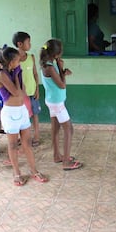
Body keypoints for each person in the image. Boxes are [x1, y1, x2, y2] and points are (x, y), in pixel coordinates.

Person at [0, 47, 48, 186]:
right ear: (11, 62)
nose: (20, 62)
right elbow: (16, 92)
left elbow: (23, 91)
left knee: (27, 143)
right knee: (12, 145)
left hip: (21, 110)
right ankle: (17, 173)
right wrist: (18, 76)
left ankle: (34, 170)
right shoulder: (1, 75)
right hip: (10, 113)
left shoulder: (15, 71)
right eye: (18, 60)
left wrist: (18, 74)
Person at [40, 39, 83, 170]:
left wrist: (61, 70)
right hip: (57, 103)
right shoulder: (51, 67)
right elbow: (62, 85)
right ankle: (66, 162)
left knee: (55, 128)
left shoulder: (45, 64)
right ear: (57, 54)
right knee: (69, 129)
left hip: (51, 100)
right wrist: (61, 69)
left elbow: (57, 81)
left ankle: (57, 155)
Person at [13, 31, 41, 147]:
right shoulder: (15, 60)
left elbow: (35, 74)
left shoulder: (31, 57)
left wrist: (37, 89)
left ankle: (36, 136)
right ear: (20, 44)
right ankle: (22, 136)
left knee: (35, 114)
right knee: (21, 116)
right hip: (21, 94)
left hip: (32, 91)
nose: (30, 44)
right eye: (28, 42)